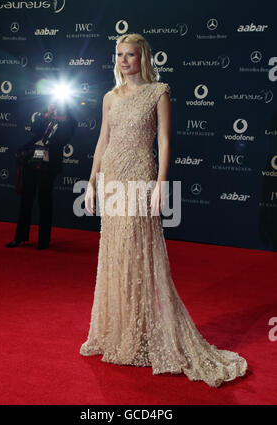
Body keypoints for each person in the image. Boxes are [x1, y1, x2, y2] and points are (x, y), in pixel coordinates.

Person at [79, 33, 248, 387]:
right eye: (119, 55)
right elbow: (102, 141)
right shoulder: (110, 97)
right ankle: (119, 333)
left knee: (137, 256)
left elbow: (165, 140)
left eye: (130, 55)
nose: (124, 61)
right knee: (115, 256)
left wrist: (160, 183)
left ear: (143, 58)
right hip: (112, 180)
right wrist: (92, 181)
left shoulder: (159, 92)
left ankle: (138, 333)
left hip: (140, 178)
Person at [6, 103, 74, 250]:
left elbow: (64, 138)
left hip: (49, 165)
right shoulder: (45, 116)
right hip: (32, 160)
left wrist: (61, 117)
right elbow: (34, 130)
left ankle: (43, 240)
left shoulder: (69, 121)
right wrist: (47, 114)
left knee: (44, 201)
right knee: (26, 199)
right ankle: (20, 237)